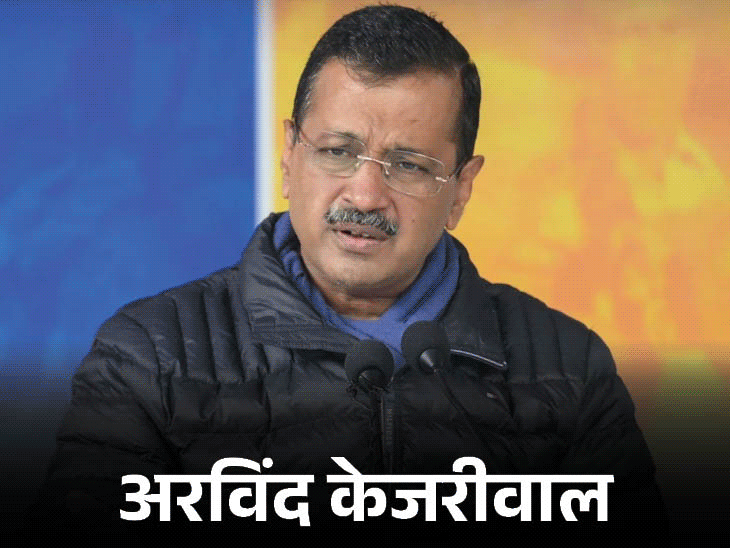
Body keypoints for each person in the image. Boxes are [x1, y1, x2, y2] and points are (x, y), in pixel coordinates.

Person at [31, 4, 664, 532]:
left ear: (461, 189)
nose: (364, 195)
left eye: (408, 165)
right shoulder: (149, 356)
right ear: (289, 156)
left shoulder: (568, 368)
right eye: (338, 152)